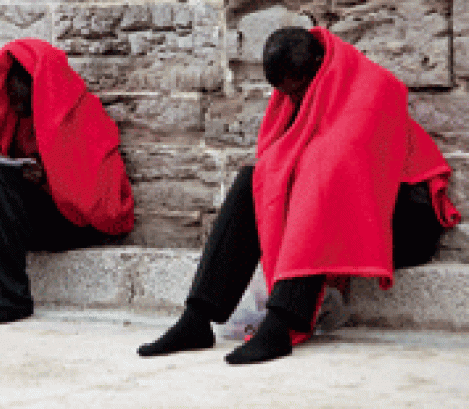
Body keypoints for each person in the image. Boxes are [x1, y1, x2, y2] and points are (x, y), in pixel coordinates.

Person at [137, 26, 460, 365]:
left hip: (406, 222)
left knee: (321, 171)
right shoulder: (305, 91)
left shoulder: (372, 88)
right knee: (257, 176)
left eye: (298, 90)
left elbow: (335, 167)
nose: (293, 101)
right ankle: (197, 317)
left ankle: (282, 323)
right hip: (354, 208)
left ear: (318, 66)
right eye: (286, 95)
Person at [0, 38, 135, 325]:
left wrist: (46, 179)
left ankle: (14, 299)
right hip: (35, 211)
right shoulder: (18, 119)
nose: (15, 105)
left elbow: (90, 192)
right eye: (11, 97)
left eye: (22, 99)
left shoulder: (82, 116)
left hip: (77, 222)